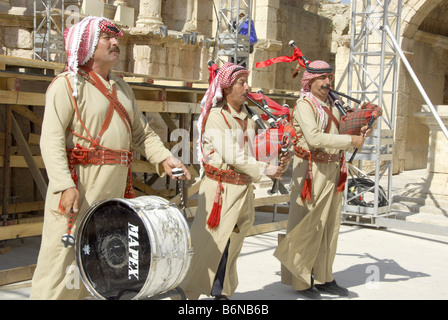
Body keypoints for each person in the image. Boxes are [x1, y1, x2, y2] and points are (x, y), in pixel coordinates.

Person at [30, 16, 190, 300]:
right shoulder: (66, 85)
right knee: (62, 262)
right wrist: (64, 184)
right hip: (79, 188)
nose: (116, 43)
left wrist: (166, 158)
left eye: (116, 39)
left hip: (114, 193)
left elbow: (142, 134)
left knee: (99, 264)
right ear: (88, 44)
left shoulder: (122, 88)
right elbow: (51, 140)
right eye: (107, 38)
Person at [180, 62, 289, 300]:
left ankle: (222, 292)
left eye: (246, 81)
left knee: (232, 245)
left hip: (243, 189)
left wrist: (280, 153)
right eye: (241, 83)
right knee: (209, 245)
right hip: (221, 191)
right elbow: (232, 154)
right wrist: (265, 169)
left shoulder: (248, 117)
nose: (246, 87)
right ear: (227, 88)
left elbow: (254, 150)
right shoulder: (216, 117)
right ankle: (186, 295)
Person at [273, 60, 369, 299]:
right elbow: (315, 138)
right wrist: (351, 142)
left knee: (329, 225)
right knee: (308, 224)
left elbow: (341, 131)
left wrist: (360, 128)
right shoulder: (305, 105)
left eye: (329, 78)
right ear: (310, 80)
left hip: (334, 168)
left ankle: (325, 277)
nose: (327, 83)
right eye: (322, 78)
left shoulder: (333, 104)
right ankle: (301, 280)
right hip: (310, 170)